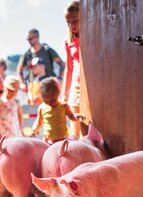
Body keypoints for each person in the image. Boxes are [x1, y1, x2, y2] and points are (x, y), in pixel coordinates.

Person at [31, 77, 83, 145]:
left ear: (58, 94)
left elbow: (71, 116)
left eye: (52, 100)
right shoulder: (42, 108)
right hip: (48, 141)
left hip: (63, 140)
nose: (49, 103)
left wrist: (76, 117)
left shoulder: (63, 106)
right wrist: (34, 130)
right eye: (46, 101)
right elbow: (39, 122)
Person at [17, 28, 65, 93]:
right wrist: (22, 83)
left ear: (37, 37)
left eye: (30, 39)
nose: (29, 41)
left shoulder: (48, 50)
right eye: (27, 39)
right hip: (34, 89)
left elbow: (62, 64)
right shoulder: (27, 54)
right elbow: (19, 70)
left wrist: (59, 78)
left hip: (49, 88)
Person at [62, 1, 81, 137]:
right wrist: (65, 93)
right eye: (68, 22)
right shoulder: (69, 40)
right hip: (76, 88)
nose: (71, 25)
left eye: (75, 21)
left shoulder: (92, 36)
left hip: (90, 88)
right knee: (75, 132)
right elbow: (68, 68)